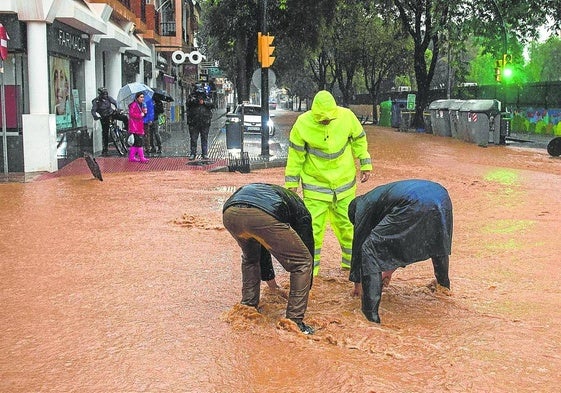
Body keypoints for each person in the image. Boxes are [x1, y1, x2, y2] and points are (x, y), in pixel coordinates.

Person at [284, 90, 372, 276]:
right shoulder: (302, 124)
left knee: (349, 228)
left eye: (328, 119)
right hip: (316, 189)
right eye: (321, 119)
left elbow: (359, 140)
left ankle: (351, 269)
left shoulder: (347, 117)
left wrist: (365, 163)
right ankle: (310, 273)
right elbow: (295, 156)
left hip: (344, 186)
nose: (325, 121)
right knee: (312, 231)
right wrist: (291, 183)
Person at [348, 179, 453, 323]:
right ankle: (444, 288)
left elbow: (360, 247)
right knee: (437, 240)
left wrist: (358, 285)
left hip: (414, 201)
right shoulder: (378, 197)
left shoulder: (361, 206)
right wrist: (389, 270)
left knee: (369, 248)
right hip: (441, 196)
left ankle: (369, 317)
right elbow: (402, 240)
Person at [222, 183, 315, 335]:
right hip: (262, 215)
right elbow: (307, 246)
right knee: (302, 262)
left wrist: (272, 285)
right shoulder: (301, 211)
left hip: (230, 212)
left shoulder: (278, 195)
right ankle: (294, 322)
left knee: (251, 258)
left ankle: (247, 307)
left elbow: (263, 246)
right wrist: (307, 286)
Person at [91, 87, 129, 156]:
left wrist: (118, 108)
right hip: (104, 117)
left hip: (112, 113)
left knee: (124, 117)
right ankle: (105, 149)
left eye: (106, 94)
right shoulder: (96, 101)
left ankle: (126, 129)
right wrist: (95, 116)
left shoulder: (109, 98)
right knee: (105, 132)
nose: (105, 96)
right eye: (104, 94)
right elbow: (93, 110)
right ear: (100, 94)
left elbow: (115, 102)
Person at [186, 83, 214, 160]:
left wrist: (204, 102)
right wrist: (195, 100)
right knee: (193, 139)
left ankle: (204, 153)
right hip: (193, 122)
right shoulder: (191, 97)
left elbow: (212, 104)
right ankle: (193, 153)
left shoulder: (206, 97)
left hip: (205, 121)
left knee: (204, 138)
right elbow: (188, 103)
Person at [127, 92, 149, 163]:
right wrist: (140, 115)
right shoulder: (134, 105)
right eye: (141, 97)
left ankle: (131, 157)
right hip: (135, 127)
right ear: (137, 98)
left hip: (139, 126)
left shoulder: (141, 105)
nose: (142, 98)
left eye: (143, 97)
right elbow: (131, 114)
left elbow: (142, 115)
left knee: (136, 143)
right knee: (139, 142)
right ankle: (142, 157)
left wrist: (144, 113)